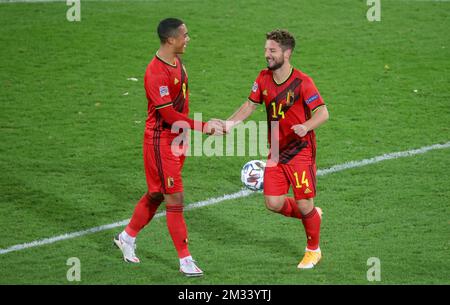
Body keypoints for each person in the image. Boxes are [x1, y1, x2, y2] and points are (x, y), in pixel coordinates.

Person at [114, 18, 222, 277]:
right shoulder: (155, 72)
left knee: (157, 194)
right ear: (171, 39)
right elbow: (169, 116)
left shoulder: (176, 61)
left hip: (177, 140)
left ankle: (126, 237)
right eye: (185, 35)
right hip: (161, 142)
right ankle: (185, 260)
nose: (188, 38)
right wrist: (204, 126)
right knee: (175, 198)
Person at [219, 29, 329, 269]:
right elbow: (250, 105)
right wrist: (229, 123)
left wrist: (306, 126)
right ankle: (313, 216)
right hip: (277, 151)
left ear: (286, 53)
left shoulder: (303, 82)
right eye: (266, 50)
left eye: (272, 51)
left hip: (301, 150)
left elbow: (323, 112)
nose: (267, 55)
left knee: (303, 202)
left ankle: (313, 250)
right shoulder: (263, 78)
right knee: (273, 203)